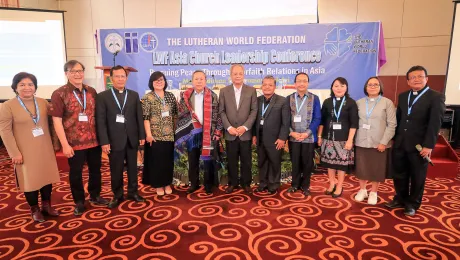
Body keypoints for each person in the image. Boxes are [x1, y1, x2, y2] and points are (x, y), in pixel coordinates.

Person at [49, 60, 108, 216]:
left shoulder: (91, 91)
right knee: (76, 173)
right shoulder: (59, 94)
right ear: (66, 74)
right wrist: (64, 145)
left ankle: (95, 195)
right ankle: (79, 201)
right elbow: (56, 121)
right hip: (74, 143)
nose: (77, 74)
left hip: (94, 140)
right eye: (73, 71)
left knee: (96, 170)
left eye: (80, 71)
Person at [0, 72, 60, 222]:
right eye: (22, 85)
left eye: (30, 84)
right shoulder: (7, 106)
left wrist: (55, 144)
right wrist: (14, 153)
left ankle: (47, 205)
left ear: (35, 87)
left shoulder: (43, 103)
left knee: (46, 177)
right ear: (15, 87)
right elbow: (5, 131)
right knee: (30, 180)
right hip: (24, 151)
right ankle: (34, 209)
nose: (27, 88)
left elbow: (53, 124)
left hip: (45, 148)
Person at [386, 65, 445, 216]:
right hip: (400, 143)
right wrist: (393, 139)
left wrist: (429, 145)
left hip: (420, 145)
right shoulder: (403, 96)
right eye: (413, 77)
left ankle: (412, 203)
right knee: (399, 173)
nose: (416, 79)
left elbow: (435, 123)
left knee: (417, 175)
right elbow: (399, 119)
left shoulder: (435, 97)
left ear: (427, 78)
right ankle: (400, 198)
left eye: (420, 76)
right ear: (408, 81)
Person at [96, 66, 146, 208]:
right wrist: (104, 141)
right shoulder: (102, 96)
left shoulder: (134, 95)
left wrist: (141, 135)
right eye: (117, 76)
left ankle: (133, 192)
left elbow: (138, 117)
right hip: (114, 140)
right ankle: (117, 195)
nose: (120, 79)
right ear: (111, 79)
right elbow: (100, 121)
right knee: (116, 169)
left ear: (126, 78)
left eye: (122, 76)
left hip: (132, 138)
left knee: (133, 168)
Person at [175, 70, 223, 195]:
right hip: (193, 133)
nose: (199, 81)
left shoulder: (212, 95)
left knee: (208, 159)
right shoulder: (186, 96)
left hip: (209, 132)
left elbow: (218, 114)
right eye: (196, 79)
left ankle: (208, 185)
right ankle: (194, 184)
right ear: (192, 80)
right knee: (193, 159)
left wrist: (217, 131)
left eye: (201, 79)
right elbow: (182, 113)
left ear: (205, 81)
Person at [354, 77, 396, 205]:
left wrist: (384, 142)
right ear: (366, 87)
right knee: (362, 168)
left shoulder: (387, 103)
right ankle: (362, 190)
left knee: (376, 168)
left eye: (375, 84)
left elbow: (392, 124)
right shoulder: (359, 103)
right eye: (370, 84)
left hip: (379, 142)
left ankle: (373, 192)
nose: (372, 86)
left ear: (380, 87)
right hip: (361, 140)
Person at [218, 64, 258, 194]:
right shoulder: (224, 91)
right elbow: (222, 111)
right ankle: (232, 183)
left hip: (245, 133)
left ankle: (246, 183)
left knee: (246, 160)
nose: (237, 76)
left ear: (243, 74)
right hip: (230, 133)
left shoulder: (251, 90)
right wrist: (228, 127)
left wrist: (245, 127)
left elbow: (254, 111)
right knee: (231, 160)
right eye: (235, 73)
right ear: (231, 75)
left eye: (240, 73)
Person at [318, 77, 358, 198]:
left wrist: (350, 140)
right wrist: (320, 136)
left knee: (341, 165)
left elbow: (354, 123)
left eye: (342, 86)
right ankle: (331, 184)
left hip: (344, 140)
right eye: (336, 86)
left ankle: (339, 185)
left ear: (346, 88)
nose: (339, 88)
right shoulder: (327, 102)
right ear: (332, 88)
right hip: (328, 139)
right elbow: (322, 121)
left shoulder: (351, 103)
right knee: (330, 164)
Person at [141, 71, 178, 196]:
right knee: (156, 162)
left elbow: (174, 116)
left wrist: (175, 132)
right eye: (156, 80)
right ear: (152, 82)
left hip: (169, 135)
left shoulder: (170, 96)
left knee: (167, 161)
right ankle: (158, 185)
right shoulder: (147, 98)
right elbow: (145, 118)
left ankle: (167, 183)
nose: (159, 82)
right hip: (155, 136)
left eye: (161, 80)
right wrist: (148, 135)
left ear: (165, 82)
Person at [252, 75, 290, 194]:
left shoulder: (282, 101)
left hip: (275, 139)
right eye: (265, 85)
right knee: (262, 161)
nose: (267, 87)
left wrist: (282, 138)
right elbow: (254, 120)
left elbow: (286, 122)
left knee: (274, 162)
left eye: (270, 85)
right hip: (260, 137)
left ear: (274, 87)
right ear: (261, 86)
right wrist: (254, 135)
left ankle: (273, 185)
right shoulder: (257, 100)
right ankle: (263, 183)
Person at [286, 73, 321, 196]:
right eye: (299, 81)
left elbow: (317, 118)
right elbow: (285, 119)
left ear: (308, 83)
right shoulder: (289, 98)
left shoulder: (314, 98)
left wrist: (307, 133)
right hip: (293, 137)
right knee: (295, 162)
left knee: (307, 163)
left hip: (309, 138)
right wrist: (292, 132)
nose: (301, 83)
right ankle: (295, 184)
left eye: (304, 81)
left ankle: (306, 186)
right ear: (295, 83)